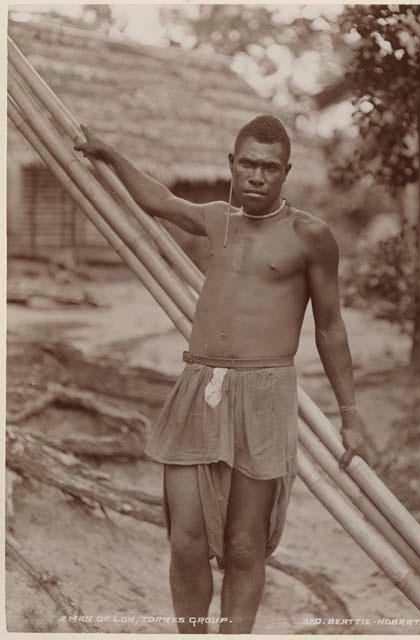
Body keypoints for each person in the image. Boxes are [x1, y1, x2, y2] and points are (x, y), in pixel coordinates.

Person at [75, 114, 372, 634]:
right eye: (249, 165)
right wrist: (108, 154)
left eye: (270, 168)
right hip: (200, 388)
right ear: (232, 165)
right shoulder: (218, 219)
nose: (257, 176)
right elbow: (158, 200)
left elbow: (330, 329)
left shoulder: (311, 236)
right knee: (185, 540)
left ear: (286, 172)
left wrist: (350, 416)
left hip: (265, 393)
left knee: (243, 545)